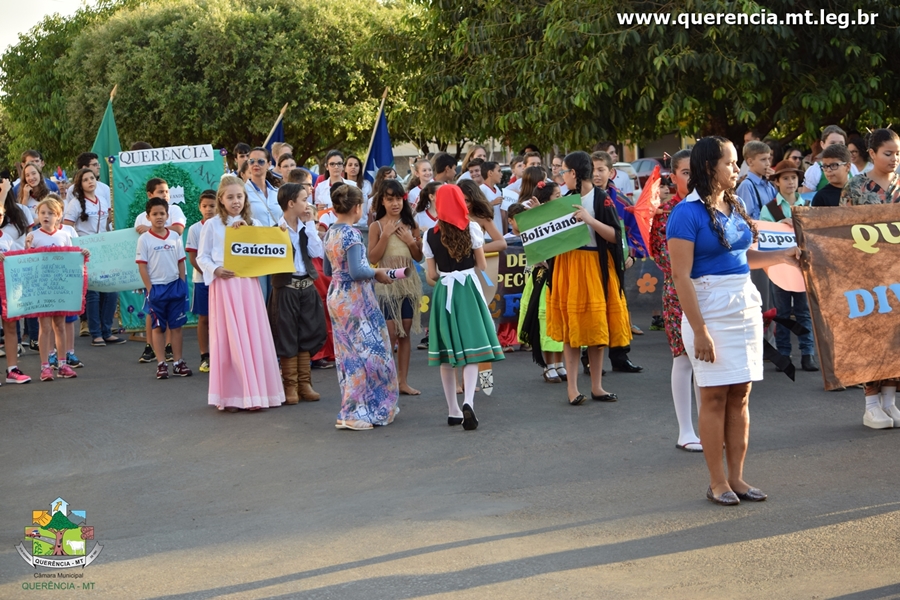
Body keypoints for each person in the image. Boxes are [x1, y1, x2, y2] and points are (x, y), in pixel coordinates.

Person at [667, 136, 800, 505]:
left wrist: (784, 256)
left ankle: (738, 478)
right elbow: (681, 277)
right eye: (730, 162)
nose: (736, 168)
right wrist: (701, 330)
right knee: (713, 397)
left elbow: (744, 256)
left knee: (741, 395)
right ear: (710, 166)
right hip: (708, 308)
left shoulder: (737, 203)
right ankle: (717, 483)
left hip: (744, 305)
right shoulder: (685, 213)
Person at [547, 151, 630, 405]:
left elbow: (615, 236)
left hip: (596, 264)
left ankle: (596, 386)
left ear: (574, 173)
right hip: (569, 266)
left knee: (597, 325)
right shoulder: (564, 199)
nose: (562, 177)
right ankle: (572, 388)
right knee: (573, 330)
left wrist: (589, 220)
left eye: (564, 172)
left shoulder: (602, 198)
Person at [197, 176, 285, 411]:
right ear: (221, 200)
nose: (235, 201)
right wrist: (216, 269)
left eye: (239, 196)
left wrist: (250, 234)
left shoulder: (253, 224)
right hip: (225, 287)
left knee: (252, 336)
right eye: (230, 197)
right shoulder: (212, 225)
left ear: (244, 198)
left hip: (248, 287)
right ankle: (233, 395)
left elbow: (266, 251)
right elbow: (201, 256)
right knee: (230, 339)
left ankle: (256, 393)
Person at [424, 184, 505, 429]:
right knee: (473, 349)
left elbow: (430, 274)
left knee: (446, 356)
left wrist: (445, 276)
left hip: (444, 291)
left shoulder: (429, 234)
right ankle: (468, 400)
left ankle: (453, 409)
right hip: (468, 288)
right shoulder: (471, 228)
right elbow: (481, 264)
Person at [324, 183, 399, 430]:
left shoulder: (329, 232)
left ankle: (356, 408)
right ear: (357, 207)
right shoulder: (351, 234)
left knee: (348, 355)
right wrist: (377, 272)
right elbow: (357, 271)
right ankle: (356, 412)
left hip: (336, 294)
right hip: (355, 299)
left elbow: (328, 270)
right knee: (367, 354)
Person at [839, 128, 900, 429]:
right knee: (870, 338)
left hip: (897, 274)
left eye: (897, 153)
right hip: (865, 274)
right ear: (872, 153)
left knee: (895, 338)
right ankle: (871, 403)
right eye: (888, 153)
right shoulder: (856, 187)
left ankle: (890, 401)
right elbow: (839, 229)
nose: (894, 159)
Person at [649, 149, 702, 452]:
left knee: (710, 363)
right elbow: (664, 257)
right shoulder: (666, 212)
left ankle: (707, 425)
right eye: (686, 172)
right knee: (684, 358)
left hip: (712, 290)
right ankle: (686, 430)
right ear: (674, 176)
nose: (692, 178)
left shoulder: (713, 205)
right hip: (679, 291)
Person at [268, 183, 327, 404]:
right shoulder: (274, 230)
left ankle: (305, 383)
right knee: (287, 335)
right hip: (286, 288)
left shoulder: (305, 227)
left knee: (308, 333)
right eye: (303, 199)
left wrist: (310, 224)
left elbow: (316, 252)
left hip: (306, 286)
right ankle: (289, 385)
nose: (307, 203)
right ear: (291, 204)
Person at [759, 160, 818, 373]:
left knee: (803, 311)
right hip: (778, 267)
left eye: (793, 177)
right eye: (785, 178)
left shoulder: (807, 206)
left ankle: (807, 353)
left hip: (803, 268)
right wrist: (779, 224)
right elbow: (763, 236)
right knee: (782, 311)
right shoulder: (770, 208)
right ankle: (783, 354)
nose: (790, 182)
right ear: (777, 182)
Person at [24, 198, 90, 382]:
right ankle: (45, 366)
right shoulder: (34, 236)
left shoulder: (64, 236)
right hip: (43, 289)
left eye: (51, 213)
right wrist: (28, 247)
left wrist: (82, 253)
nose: (46, 216)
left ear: (59, 216)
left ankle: (63, 364)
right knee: (44, 327)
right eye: (43, 213)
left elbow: (71, 257)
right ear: (38, 215)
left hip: (60, 287)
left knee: (60, 325)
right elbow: (26, 261)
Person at [368, 179, 423, 395]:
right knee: (390, 333)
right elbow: (372, 257)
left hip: (407, 283)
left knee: (405, 331)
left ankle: (403, 382)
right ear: (382, 200)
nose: (394, 203)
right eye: (390, 199)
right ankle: (386, 382)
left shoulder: (411, 223)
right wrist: (385, 236)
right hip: (386, 285)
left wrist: (411, 242)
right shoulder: (376, 225)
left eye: (398, 199)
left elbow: (418, 256)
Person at [64, 168, 123, 348]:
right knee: (94, 293)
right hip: (86, 250)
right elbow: (67, 227)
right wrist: (77, 247)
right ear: (79, 184)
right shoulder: (75, 204)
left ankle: (107, 330)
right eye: (85, 179)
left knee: (111, 290)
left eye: (92, 178)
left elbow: (107, 224)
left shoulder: (103, 200)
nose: (90, 181)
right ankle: (95, 333)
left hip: (104, 249)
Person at [135, 198, 191, 380]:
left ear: (167, 215)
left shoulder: (175, 237)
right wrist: (150, 289)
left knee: (176, 327)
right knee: (158, 328)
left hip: (175, 287)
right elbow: (142, 266)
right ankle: (161, 364)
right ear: (148, 217)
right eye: (155, 214)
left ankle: (178, 362)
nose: (159, 217)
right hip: (157, 289)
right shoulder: (144, 239)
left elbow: (181, 262)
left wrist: (182, 283)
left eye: (162, 214)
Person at [517, 181, 566, 381]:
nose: (561, 199)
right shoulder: (533, 220)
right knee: (545, 321)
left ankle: (560, 362)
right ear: (546, 200)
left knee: (562, 318)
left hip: (562, 274)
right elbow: (532, 247)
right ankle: (549, 365)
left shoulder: (565, 218)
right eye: (557, 196)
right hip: (544, 277)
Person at [0, 179, 33, 383]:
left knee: (11, 325)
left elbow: (28, 242)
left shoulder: (20, 212)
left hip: (11, 275)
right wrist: (2, 194)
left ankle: (13, 369)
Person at [185, 190, 218, 373]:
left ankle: (221, 354)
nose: (208, 209)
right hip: (202, 281)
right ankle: (205, 355)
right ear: (199, 208)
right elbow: (193, 258)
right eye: (204, 206)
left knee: (221, 318)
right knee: (204, 318)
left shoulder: (223, 226)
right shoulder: (194, 229)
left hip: (221, 280)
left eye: (212, 206)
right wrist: (209, 273)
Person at [800, 125, 856, 193]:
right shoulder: (816, 170)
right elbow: (806, 199)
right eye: (832, 143)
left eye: (841, 143)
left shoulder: (852, 168)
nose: (837, 147)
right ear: (822, 144)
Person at [735, 141, 776, 220]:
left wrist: (777, 182)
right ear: (750, 162)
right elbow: (747, 218)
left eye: (769, 159)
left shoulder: (769, 185)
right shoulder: (746, 185)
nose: (768, 163)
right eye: (763, 159)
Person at [479, 161, 505, 234]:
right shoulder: (481, 189)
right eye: (499, 171)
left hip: (499, 231)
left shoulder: (498, 190)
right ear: (490, 173)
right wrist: (492, 203)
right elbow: (477, 210)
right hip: (487, 235)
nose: (501, 174)